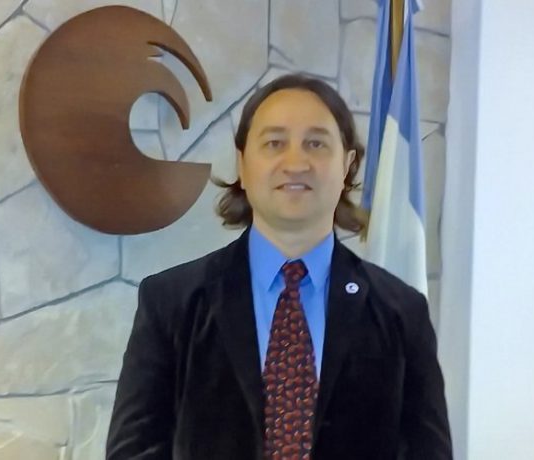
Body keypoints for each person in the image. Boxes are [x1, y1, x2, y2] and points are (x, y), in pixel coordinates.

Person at [106, 73, 452, 460]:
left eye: (316, 143)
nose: (296, 162)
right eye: (274, 143)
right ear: (242, 163)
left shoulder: (402, 311)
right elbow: (133, 452)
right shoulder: (171, 303)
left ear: (347, 165)